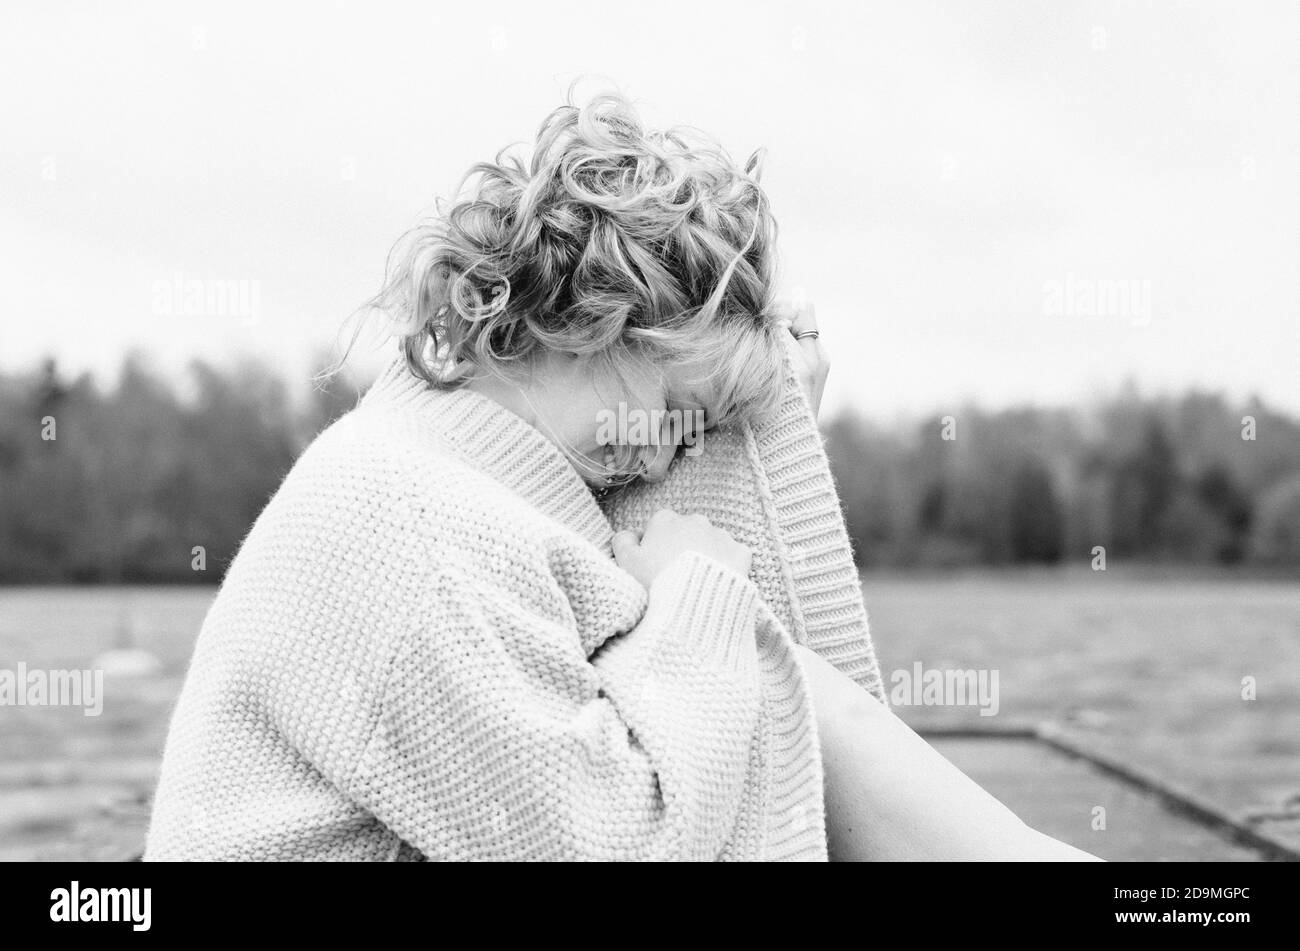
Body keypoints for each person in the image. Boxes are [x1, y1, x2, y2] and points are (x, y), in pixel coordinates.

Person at [145, 87, 1097, 861]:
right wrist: (703, 596)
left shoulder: (472, 474)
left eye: (703, 429)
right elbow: (623, 848)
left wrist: (767, 428)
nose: (671, 447)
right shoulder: (407, 525)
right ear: (536, 318)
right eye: (671, 400)